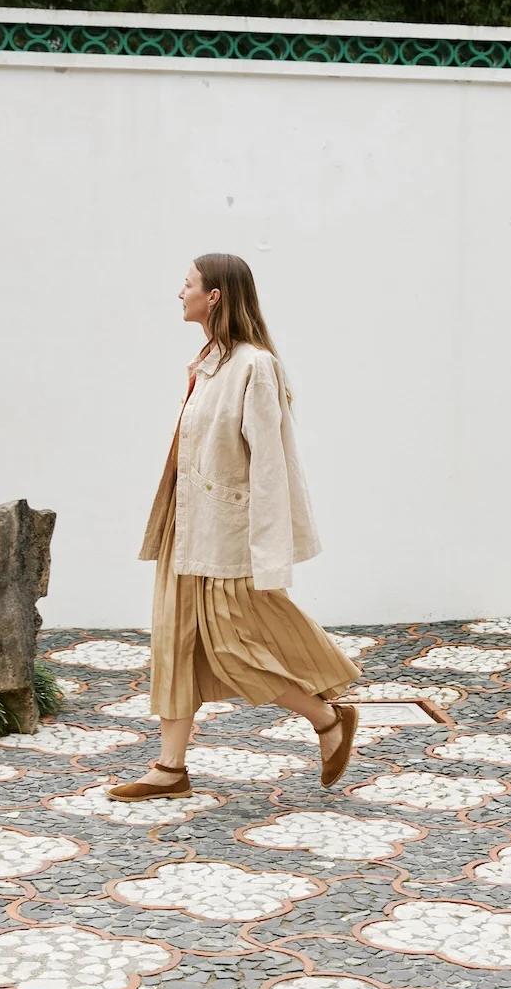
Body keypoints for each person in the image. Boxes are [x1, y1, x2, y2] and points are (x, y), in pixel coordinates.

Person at [110, 253, 363, 801]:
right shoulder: (208, 362)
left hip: (226, 538)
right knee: (174, 644)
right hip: (185, 530)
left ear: (215, 295)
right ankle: (170, 769)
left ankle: (327, 718)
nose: (180, 292)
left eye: (188, 284)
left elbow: (272, 467)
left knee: (233, 649)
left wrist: (269, 554)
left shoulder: (254, 366)